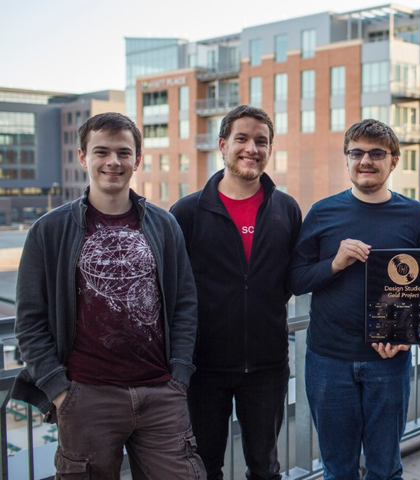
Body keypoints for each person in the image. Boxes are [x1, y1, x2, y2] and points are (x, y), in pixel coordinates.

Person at [11, 112, 205, 478]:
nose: (113, 162)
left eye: (123, 152)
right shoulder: (49, 230)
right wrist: (59, 392)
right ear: (83, 158)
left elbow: (184, 305)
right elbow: (30, 322)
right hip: (86, 397)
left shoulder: (164, 225)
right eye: (102, 152)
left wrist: (179, 376)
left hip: (161, 394)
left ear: (137, 159)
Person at [288, 119, 420, 479]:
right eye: (356, 153)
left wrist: (407, 339)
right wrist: (335, 264)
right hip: (329, 361)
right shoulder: (323, 212)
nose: (365, 161)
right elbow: (295, 278)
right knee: (338, 469)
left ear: (394, 160)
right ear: (347, 158)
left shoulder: (417, 216)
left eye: (376, 153)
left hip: (388, 362)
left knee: (385, 468)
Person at [171, 105, 301, 480]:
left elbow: (292, 277)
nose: (252, 148)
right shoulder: (187, 212)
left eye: (261, 141)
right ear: (223, 145)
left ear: (270, 149)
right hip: (204, 368)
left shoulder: (286, 209)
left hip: (267, 366)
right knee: (204, 465)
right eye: (242, 139)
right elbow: (174, 288)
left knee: (265, 467)